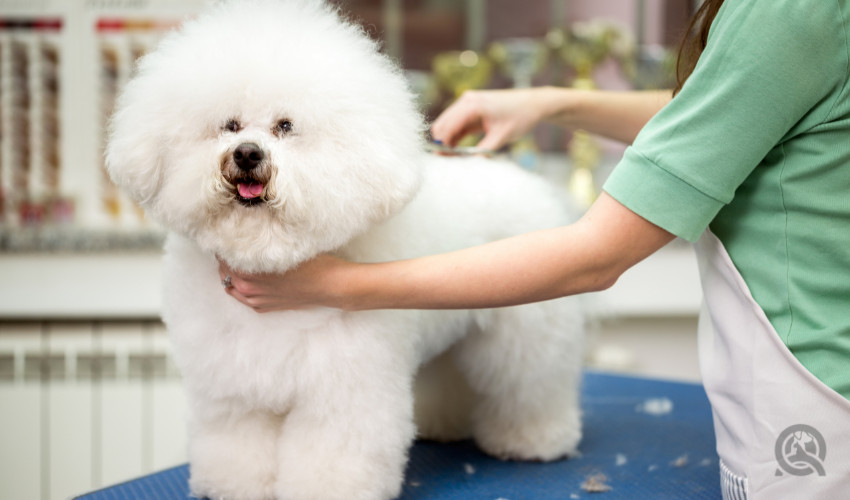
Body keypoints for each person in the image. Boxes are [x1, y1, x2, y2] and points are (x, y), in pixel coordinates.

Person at [218, 0, 850, 497]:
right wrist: (554, 102)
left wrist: (336, 286)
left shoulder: (789, 6)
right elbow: (730, 106)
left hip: (820, 398)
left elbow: (598, 253)